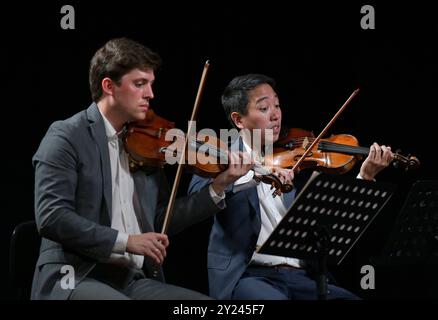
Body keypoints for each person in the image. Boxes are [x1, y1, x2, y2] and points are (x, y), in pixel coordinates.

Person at [31, 38, 252, 300]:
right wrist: (127, 241)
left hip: (130, 281)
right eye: (139, 84)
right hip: (75, 275)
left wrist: (218, 186)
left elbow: (159, 221)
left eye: (151, 84)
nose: (150, 94)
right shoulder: (67, 136)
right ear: (109, 86)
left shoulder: (145, 143)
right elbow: (52, 217)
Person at [188, 73, 393, 300]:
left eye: (277, 105)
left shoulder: (296, 161)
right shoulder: (218, 158)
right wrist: (248, 177)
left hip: (303, 276)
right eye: (264, 108)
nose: (276, 115)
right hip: (249, 276)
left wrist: (365, 176)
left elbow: (333, 219)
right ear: (238, 120)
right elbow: (198, 202)